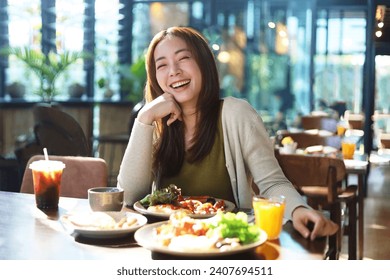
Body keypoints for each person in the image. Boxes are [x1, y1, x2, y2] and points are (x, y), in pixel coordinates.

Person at [117, 26, 338, 241]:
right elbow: (129, 197)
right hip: (169, 240)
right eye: (162, 65)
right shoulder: (157, 124)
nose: (174, 70)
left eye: (183, 58)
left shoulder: (236, 114)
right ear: (155, 78)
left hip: (225, 241)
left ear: (204, 64)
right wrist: (145, 118)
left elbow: (272, 183)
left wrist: (298, 209)